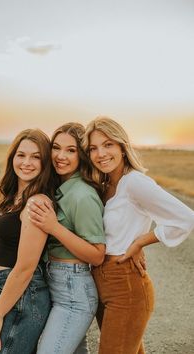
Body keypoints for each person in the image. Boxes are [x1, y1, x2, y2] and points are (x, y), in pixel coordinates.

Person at [82, 116, 194, 354]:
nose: (100, 153)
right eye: (93, 148)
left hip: (126, 285)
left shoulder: (134, 183)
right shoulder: (105, 185)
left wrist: (141, 241)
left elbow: (185, 218)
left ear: (122, 147)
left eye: (108, 144)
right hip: (103, 283)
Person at [27, 122, 106, 354]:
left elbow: (98, 254)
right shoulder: (62, 188)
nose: (61, 156)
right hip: (57, 285)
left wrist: (54, 227)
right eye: (56, 147)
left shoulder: (82, 195)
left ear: (81, 155)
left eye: (71, 150)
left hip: (74, 292)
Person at [0, 129, 55, 354]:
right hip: (10, 290)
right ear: (12, 156)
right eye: (21, 155)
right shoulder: (14, 197)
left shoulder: (37, 203)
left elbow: (25, 268)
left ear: (45, 163)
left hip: (26, 295)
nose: (27, 162)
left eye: (36, 157)